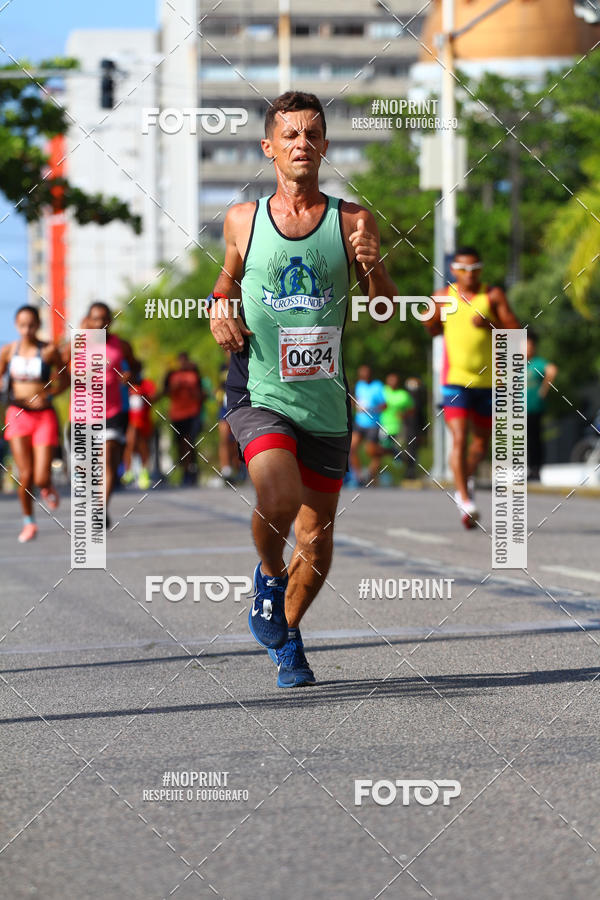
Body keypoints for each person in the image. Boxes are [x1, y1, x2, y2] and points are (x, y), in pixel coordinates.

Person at [209, 90, 397, 687]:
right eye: (290, 134)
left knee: (315, 539)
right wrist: (217, 308)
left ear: (325, 146)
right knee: (279, 495)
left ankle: (286, 635)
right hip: (258, 390)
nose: (302, 143)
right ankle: (269, 576)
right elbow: (225, 282)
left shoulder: (353, 220)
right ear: (269, 147)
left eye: (312, 134)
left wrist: (374, 266)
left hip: (325, 400)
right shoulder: (243, 219)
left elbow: (385, 310)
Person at [425, 247, 520, 528]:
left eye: (475, 269)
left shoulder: (493, 295)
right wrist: (430, 321)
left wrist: (491, 324)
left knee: (479, 446)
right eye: (464, 269)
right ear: (453, 270)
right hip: (455, 380)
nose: (469, 274)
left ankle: (464, 482)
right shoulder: (442, 297)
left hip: (489, 383)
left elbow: (515, 333)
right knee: (459, 438)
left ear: (481, 269)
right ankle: (465, 500)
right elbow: (433, 329)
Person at [0, 305, 67, 542]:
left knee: (40, 477)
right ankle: (29, 521)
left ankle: (46, 485)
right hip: (17, 414)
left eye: (31, 325)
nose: (27, 329)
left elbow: (65, 380)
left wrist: (48, 395)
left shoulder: (49, 351)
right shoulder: (8, 351)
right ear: (16, 325)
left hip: (43, 416)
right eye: (22, 325)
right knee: (26, 474)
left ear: (38, 325)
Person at [83, 302, 140, 526]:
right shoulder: (79, 345)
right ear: (88, 321)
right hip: (86, 413)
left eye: (104, 319)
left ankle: (100, 508)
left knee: (107, 460)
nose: (100, 324)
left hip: (114, 410)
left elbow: (135, 367)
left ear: (110, 321)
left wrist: (129, 375)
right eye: (95, 319)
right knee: (91, 466)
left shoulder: (121, 345)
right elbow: (62, 369)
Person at [160, 352, 205, 486]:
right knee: (180, 443)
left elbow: (202, 395)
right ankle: (185, 470)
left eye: (185, 360)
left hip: (193, 413)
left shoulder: (194, 374)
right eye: (181, 361)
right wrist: (175, 387)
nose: (183, 363)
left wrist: (191, 390)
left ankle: (191, 470)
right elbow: (164, 392)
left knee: (190, 441)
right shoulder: (172, 375)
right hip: (177, 415)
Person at [526, 329, 557, 481]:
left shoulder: (537, 363)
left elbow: (552, 370)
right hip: (519, 409)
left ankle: (535, 470)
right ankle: (528, 469)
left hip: (534, 408)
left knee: (534, 439)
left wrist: (544, 390)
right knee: (524, 440)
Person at [349, 364, 386, 485]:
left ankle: (372, 471)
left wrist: (371, 409)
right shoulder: (359, 385)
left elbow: (384, 405)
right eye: (361, 373)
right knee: (352, 448)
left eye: (365, 373)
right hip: (359, 422)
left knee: (370, 451)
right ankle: (359, 477)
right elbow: (354, 400)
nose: (363, 376)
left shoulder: (378, 386)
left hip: (373, 424)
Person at [122, 371, 156, 490]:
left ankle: (144, 472)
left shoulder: (146, 384)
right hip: (130, 421)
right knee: (130, 444)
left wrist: (144, 395)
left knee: (143, 446)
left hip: (144, 422)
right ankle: (128, 471)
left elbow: (154, 397)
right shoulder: (125, 385)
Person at [379, 372, 414, 473]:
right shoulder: (382, 391)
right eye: (391, 380)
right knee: (382, 447)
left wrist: (404, 415)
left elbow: (412, 409)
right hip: (382, 425)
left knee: (396, 446)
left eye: (395, 380)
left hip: (398, 427)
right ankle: (397, 459)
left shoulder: (403, 395)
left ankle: (402, 465)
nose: (393, 382)